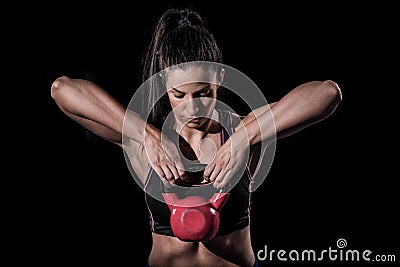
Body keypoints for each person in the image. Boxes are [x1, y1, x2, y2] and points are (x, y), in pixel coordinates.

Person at [50, 7, 342, 267]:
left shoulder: (245, 131)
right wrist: (146, 133)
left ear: (220, 79)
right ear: (165, 84)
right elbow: (62, 89)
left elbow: (328, 93)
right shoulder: (146, 142)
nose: (193, 107)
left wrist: (244, 137)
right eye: (180, 95)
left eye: (204, 93)